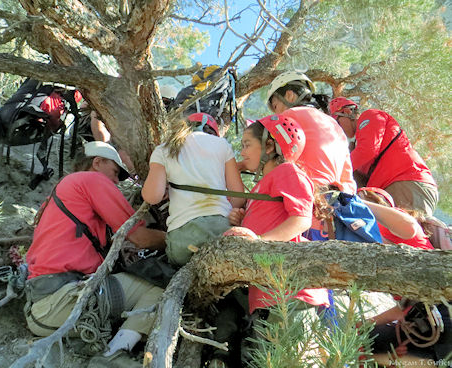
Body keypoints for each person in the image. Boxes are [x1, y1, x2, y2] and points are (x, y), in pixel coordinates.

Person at [24, 141, 166, 356]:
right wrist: (175, 237)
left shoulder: (62, 190)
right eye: (115, 172)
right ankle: (114, 356)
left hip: (43, 307)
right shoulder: (92, 180)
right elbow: (141, 238)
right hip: (62, 301)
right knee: (160, 288)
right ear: (97, 162)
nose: (117, 181)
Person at [221, 114, 330, 367]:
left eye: (247, 144)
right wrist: (242, 220)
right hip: (269, 297)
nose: (242, 150)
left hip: (290, 295)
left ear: (269, 146)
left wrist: (257, 241)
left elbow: (301, 219)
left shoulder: (287, 171)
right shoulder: (262, 185)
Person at [356, 187, 451, 365]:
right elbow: (407, 306)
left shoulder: (387, 224)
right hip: (434, 322)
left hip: (436, 322)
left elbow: (407, 307)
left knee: (365, 344)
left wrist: (362, 324)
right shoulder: (414, 239)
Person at [141, 112, 245, 266]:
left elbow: (152, 197)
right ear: (214, 132)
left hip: (183, 238)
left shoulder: (164, 149)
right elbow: (238, 196)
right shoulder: (222, 145)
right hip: (220, 230)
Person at [329, 97, 438, 216]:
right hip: (392, 188)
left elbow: (367, 150)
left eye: (337, 123)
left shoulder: (370, 115)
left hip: (407, 183)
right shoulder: (356, 145)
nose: (339, 129)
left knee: (408, 231)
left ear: (347, 112)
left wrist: (334, 170)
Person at [261, 71, 356, 194]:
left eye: (275, 106)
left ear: (290, 96)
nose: (276, 113)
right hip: (337, 197)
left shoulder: (289, 117)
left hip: (306, 193)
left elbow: (265, 155)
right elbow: (348, 178)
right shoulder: (334, 125)